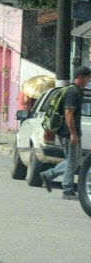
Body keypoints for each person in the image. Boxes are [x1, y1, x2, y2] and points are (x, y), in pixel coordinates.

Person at [40, 66, 91, 200]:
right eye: (88, 78)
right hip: (68, 133)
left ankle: (49, 174)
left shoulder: (75, 91)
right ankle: (67, 191)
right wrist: (73, 134)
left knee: (73, 161)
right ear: (80, 77)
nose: (88, 81)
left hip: (69, 132)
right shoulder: (73, 92)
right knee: (72, 161)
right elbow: (69, 113)